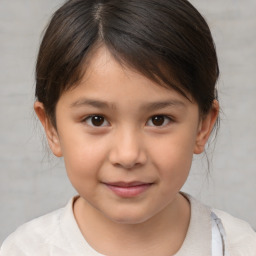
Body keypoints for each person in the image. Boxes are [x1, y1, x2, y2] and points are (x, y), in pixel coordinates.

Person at [1, 0, 255, 255]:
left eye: (158, 120)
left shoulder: (239, 246)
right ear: (51, 128)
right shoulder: (25, 250)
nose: (128, 155)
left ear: (203, 126)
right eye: (96, 120)